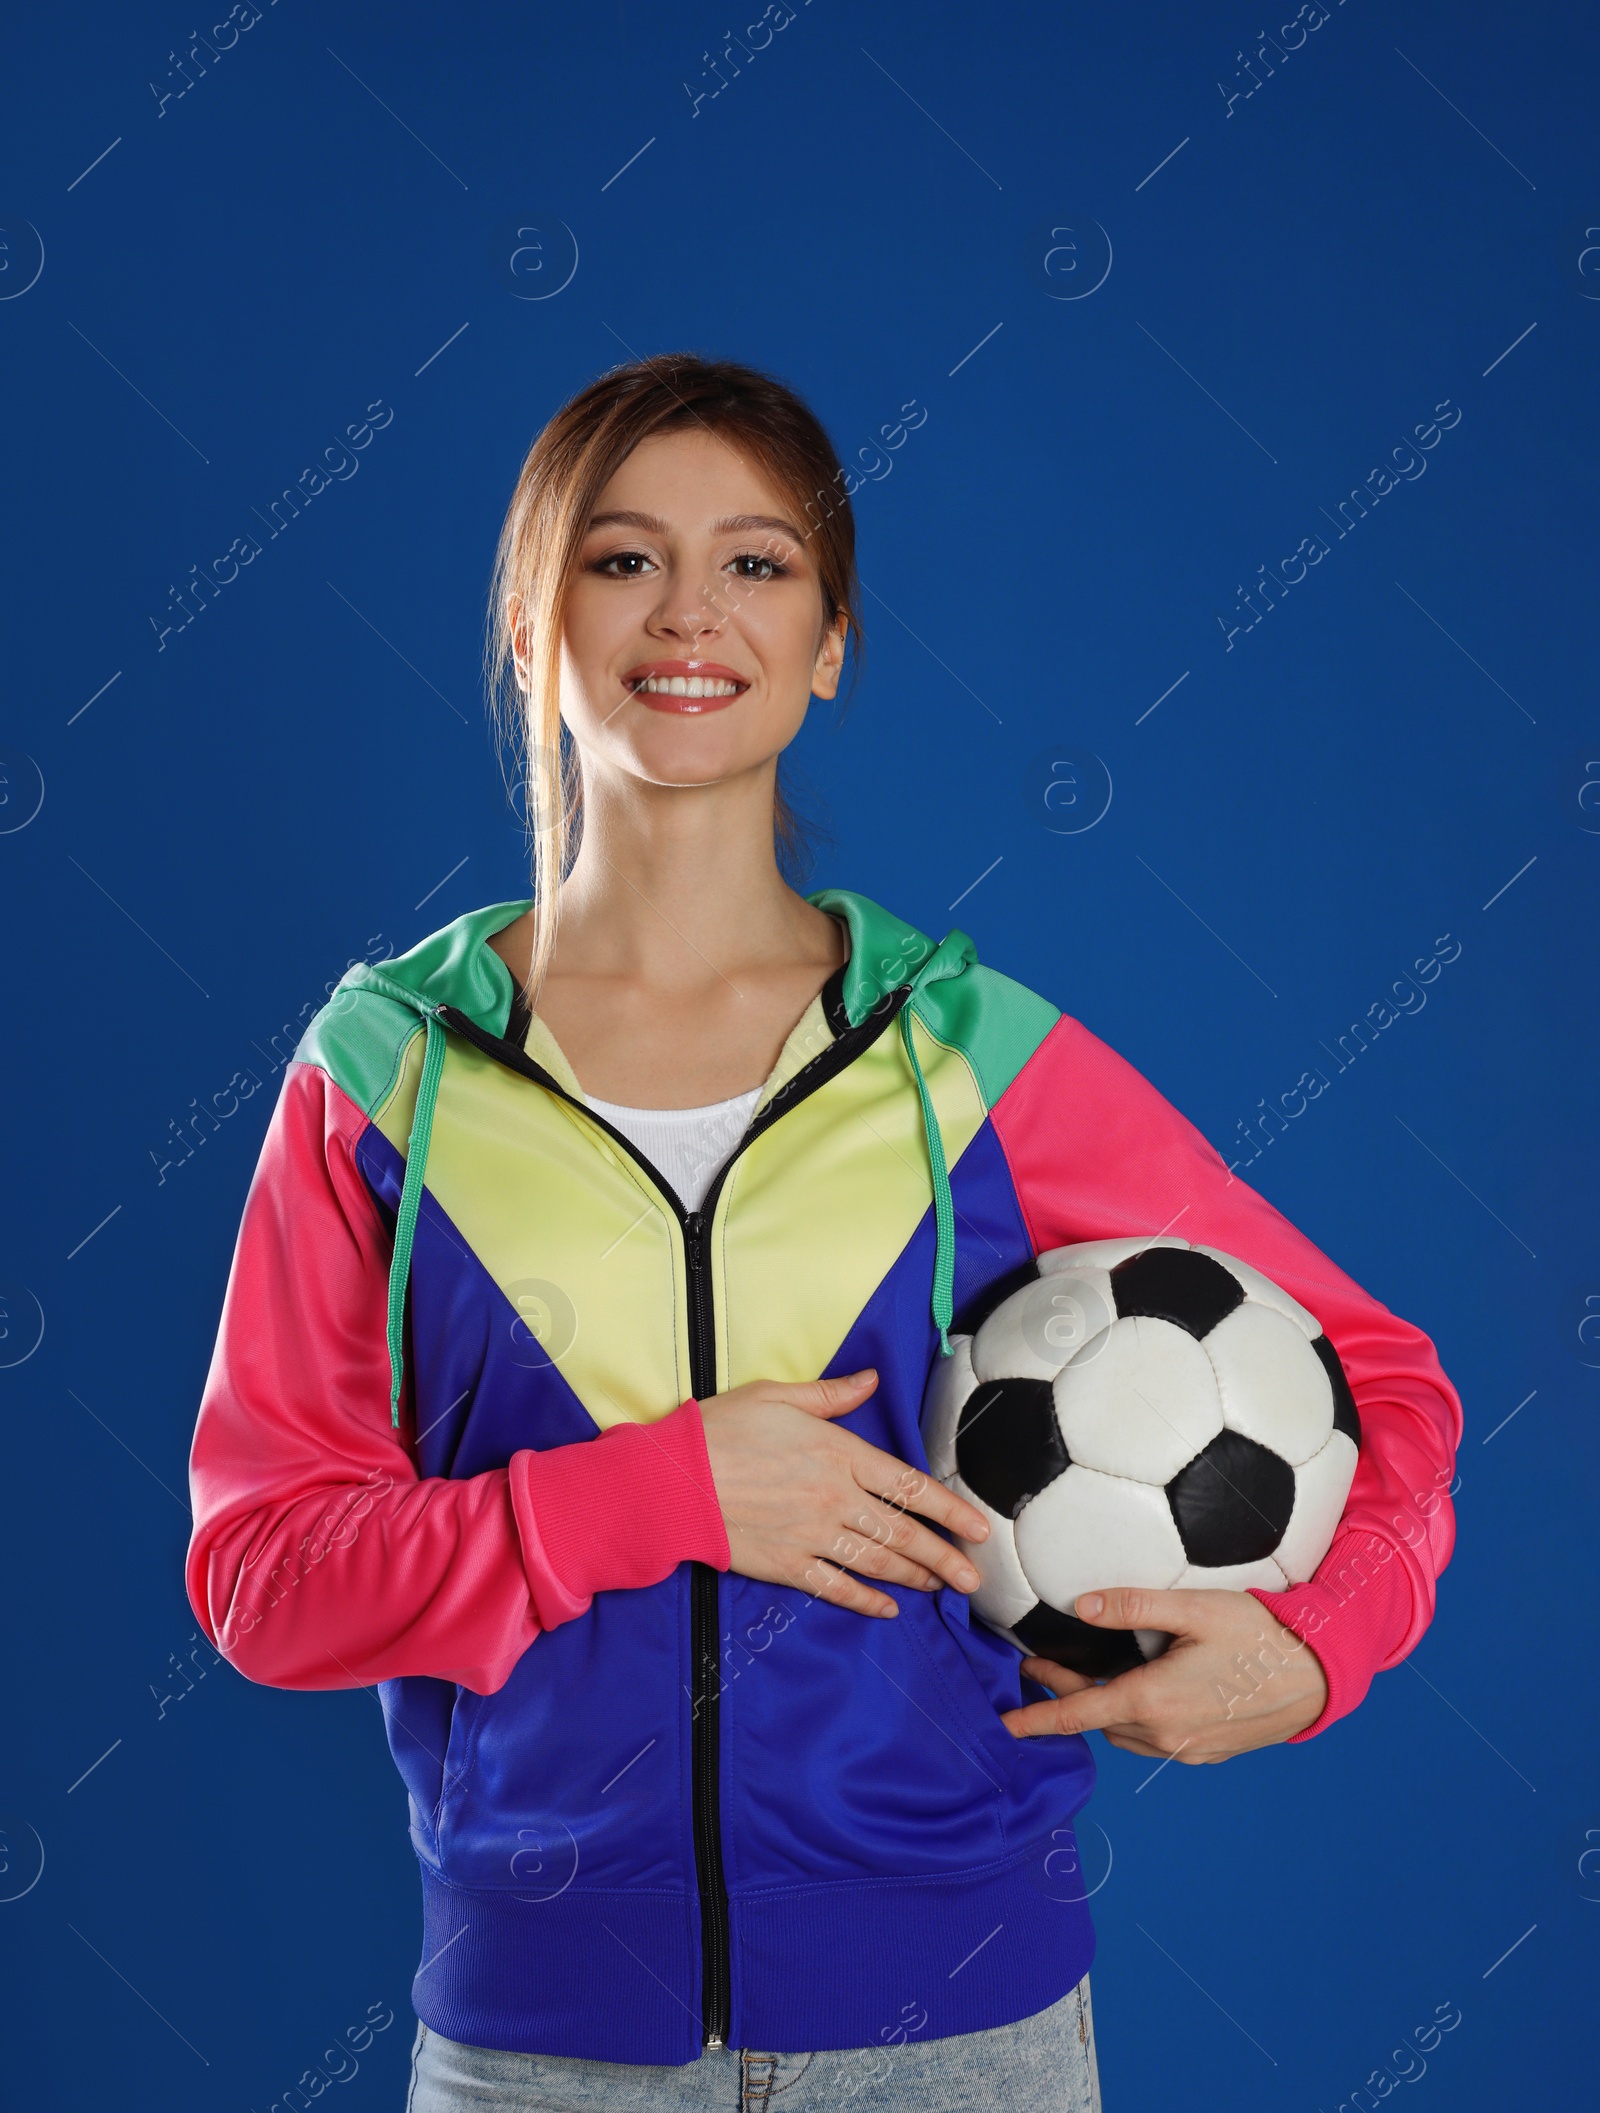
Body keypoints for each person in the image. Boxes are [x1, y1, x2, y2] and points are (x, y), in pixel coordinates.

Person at [185, 354, 1462, 2111]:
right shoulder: (383, 1078)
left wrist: (1322, 1642)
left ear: (832, 637)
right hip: (538, 2041)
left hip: (960, 2029)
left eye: (759, 563)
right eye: (623, 559)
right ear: (534, 619)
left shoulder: (968, 1054)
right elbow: (264, 1578)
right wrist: (660, 1491)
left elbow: (1381, 1373)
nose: (690, 610)